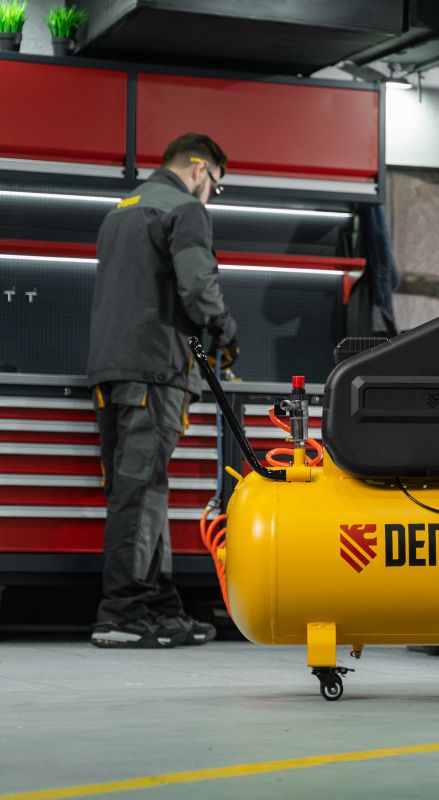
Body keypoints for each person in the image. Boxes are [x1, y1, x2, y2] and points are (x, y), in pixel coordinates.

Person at [87, 133, 239, 648]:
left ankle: (158, 607)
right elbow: (198, 288)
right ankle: (121, 613)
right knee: (140, 489)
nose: (211, 195)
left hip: (111, 371)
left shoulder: (120, 211)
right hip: (154, 371)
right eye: (215, 184)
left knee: (139, 488)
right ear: (199, 168)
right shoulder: (184, 209)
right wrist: (224, 331)